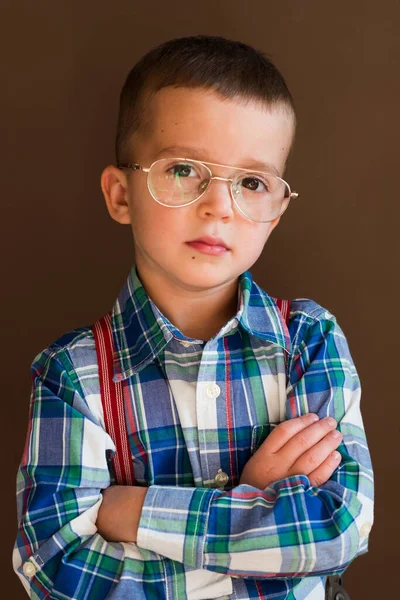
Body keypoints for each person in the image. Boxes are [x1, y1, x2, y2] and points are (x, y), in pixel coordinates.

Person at [13, 35, 374, 600]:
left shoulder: (308, 340)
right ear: (120, 194)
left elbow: (336, 529)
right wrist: (251, 503)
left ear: (275, 212)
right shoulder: (72, 375)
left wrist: (134, 513)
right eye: (183, 169)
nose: (220, 205)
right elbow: (56, 572)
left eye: (252, 182)